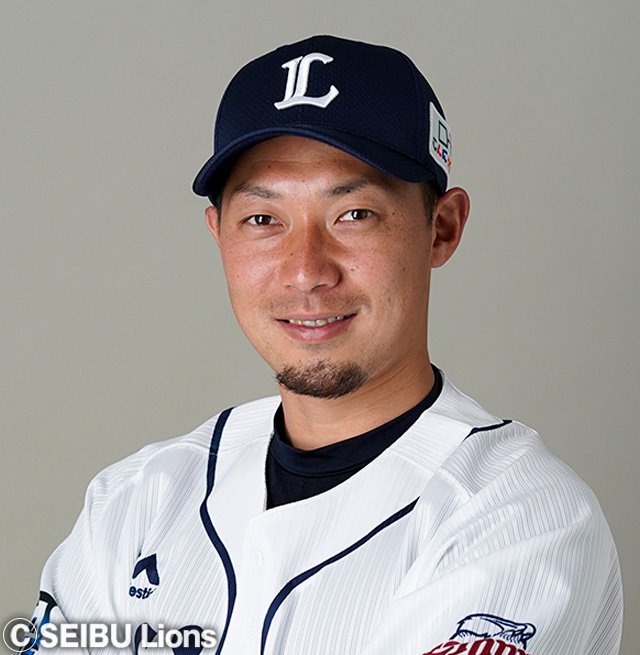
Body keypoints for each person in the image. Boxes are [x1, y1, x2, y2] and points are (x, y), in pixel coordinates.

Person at [26, 35, 622, 655]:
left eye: (354, 214)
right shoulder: (137, 498)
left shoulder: (522, 516)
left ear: (441, 228)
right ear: (218, 234)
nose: (306, 271)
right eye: (263, 220)